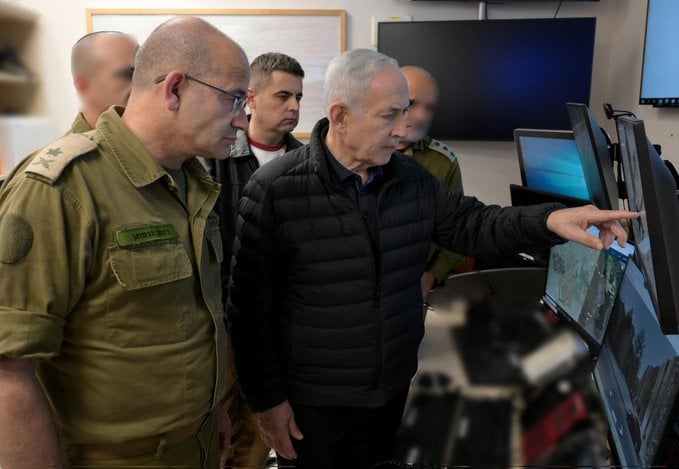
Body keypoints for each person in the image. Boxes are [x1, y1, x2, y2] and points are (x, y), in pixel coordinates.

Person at [227, 48, 637, 469]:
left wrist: (551, 219)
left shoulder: (412, 179)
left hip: (390, 392)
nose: (403, 128)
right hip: (313, 405)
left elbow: (475, 224)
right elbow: (248, 311)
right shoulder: (274, 190)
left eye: (404, 111)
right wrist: (267, 402)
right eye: (389, 115)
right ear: (341, 115)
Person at [0, 17, 249, 468]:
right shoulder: (62, 187)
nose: (242, 119)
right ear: (174, 89)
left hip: (196, 445)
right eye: (233, 98)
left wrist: (207, 408)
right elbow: (9, 372)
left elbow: (183, 318)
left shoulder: (192, 181)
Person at [208, 51, 305, 469]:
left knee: (260, 433)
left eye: (299, 97)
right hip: (226, 324)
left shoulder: (307, 162)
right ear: (251, 97)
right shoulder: (215, 157)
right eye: (283, 96)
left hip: (282, 323)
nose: (294, 106)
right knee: (218, 433)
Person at [397, 65, 471, 300]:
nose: (422, 116)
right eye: (411, 103)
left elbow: (458, 231)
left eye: (429, 108)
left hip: (415, 288)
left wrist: (431, 276)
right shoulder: (360, 154)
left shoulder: (443, 161)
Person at [70, 31, 138, 132]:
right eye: (128, 75)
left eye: (144, 73)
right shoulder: (73, 143)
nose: (143, 84)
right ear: (83, 86)